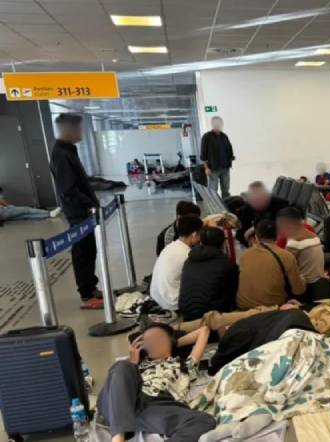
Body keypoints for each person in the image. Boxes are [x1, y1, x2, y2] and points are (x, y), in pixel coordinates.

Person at [97, 323, 216, 442]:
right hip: (124, 400)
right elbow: (120, 382)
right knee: (122, 366)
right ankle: (118, 438)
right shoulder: (136, 364)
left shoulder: (185, 365)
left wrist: (172, 343)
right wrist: (133, 362)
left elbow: (204, 331)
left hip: (157, 405)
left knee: (203, 420)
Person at [50, 113, 103, 309]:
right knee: (82, 251)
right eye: (78, 128)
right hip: (78, 212)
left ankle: (91, 286)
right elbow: (69, 189)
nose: (81, 132)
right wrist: (88, 203)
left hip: (83, 211)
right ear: (69, 129)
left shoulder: (68, 151)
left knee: (89, 250)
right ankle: (86, 295)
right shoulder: (62, 155)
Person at [237, 218, 306, 310]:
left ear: (257, 236)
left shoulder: (244, 255)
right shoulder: (286, 256)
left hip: (243, 307)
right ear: (278, 235)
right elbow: (299, 290)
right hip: (271, 308)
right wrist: (302, 279)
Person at [178, 227, 239, 322]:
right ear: (222, 243)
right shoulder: (226, 263)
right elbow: (233, 292)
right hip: (212, 315)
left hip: (186, 312)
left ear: (201, 241)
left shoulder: (189, 260)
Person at [150, 216, 204, 312]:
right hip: (172, 303)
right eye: (200, 234)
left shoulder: (170, 247)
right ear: (194, 234)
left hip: (157, 296)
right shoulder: (188, 254)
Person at [235, 181, 289, 246]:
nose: (257, 203)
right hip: (257, 244)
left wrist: (254, 229)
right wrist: (249, 239)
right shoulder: (248, 207)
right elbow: (240, 232)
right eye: (254, 199)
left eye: (259, 198)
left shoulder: (280, 205)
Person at [200, 116, 235, 198]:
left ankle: (226, 204)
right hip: (213, 170)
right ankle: (213, 206)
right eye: (215, 123)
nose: (217, 125)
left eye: (219, 123)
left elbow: (229, 150)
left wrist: (231, 158)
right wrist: (206, 168)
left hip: (225, 168)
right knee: (213, 192)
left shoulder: (224, 136)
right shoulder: (206, 137)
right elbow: (203, 154)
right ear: (212, 124)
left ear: (221, 124)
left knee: (226, 191)